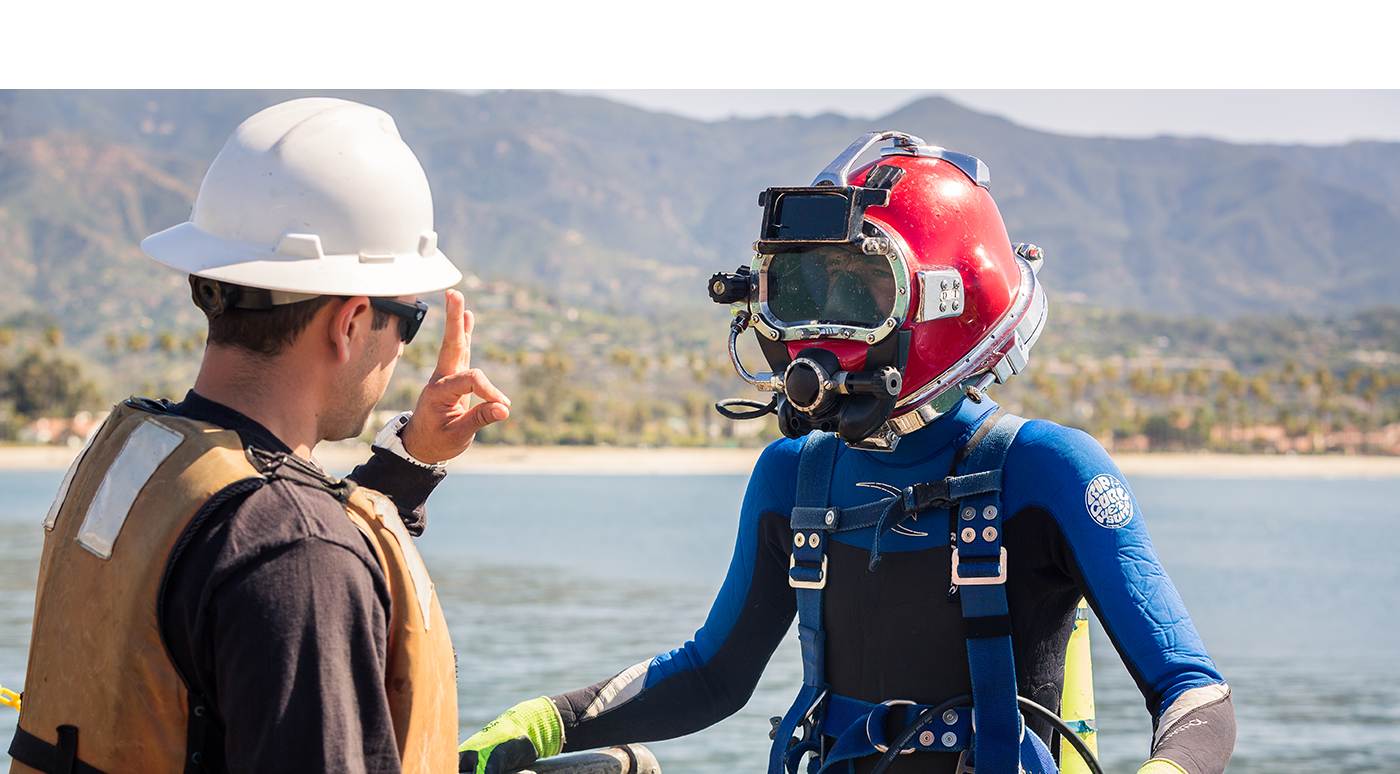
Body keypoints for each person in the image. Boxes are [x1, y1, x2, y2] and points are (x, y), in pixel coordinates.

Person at [459, 131, 1235, 774]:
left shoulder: (1050, 471)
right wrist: (543, 722)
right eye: (797, 293)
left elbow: (1194, 694)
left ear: (944, 304)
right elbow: (712, 675)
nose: (811, 337)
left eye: (855, 293)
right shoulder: (792, 477)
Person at [8, 97, 511, 774]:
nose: (401, 354)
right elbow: (283, 548)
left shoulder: (134, 458)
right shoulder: (299, 555)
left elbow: (239, 545)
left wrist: (410, 460)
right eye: (409, 321)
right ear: (351, 321)